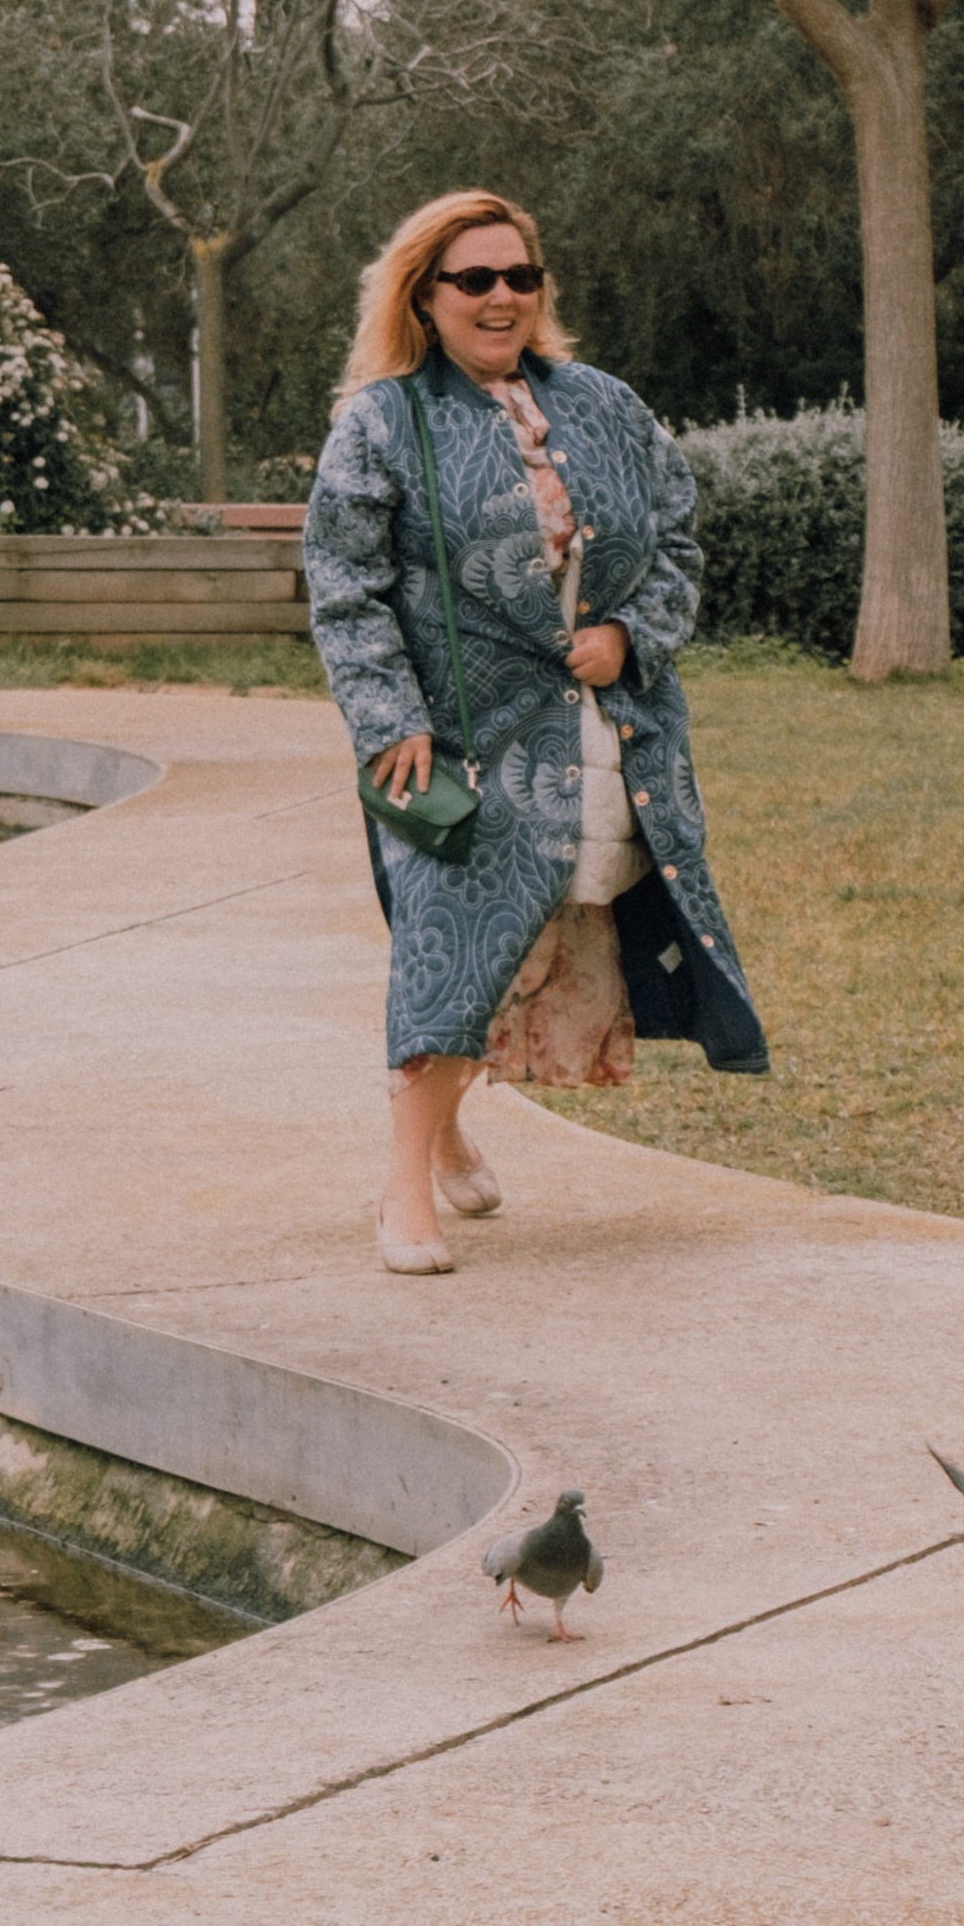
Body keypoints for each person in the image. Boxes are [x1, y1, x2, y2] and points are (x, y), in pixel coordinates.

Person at [303, 187, 765, 1272]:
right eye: (475, 279)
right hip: (457, 741)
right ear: (425, 296)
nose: (502, 296)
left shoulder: (604, 405)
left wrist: (627, 634)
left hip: (606, 733)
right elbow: (343, 585)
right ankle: (402, 1192)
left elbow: (682, 544)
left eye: (520, 276)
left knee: (546, 942)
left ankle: (446, 1126)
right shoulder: (381, 421)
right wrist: (385, 720)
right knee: (455, 948)